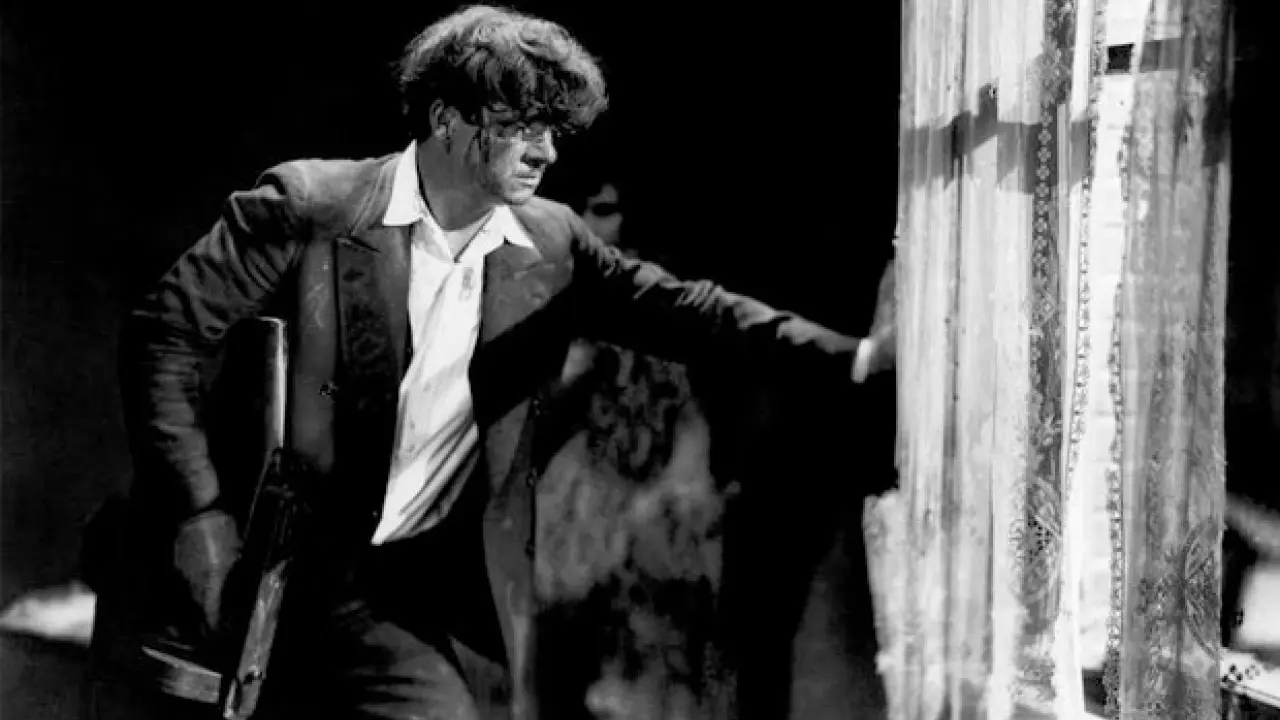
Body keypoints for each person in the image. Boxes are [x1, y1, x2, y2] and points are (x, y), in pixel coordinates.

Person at [113, 5, 896, 719]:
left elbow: (690, 311)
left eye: (554, 130)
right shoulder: (311, 206)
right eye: (523, 125)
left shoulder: (550, 244)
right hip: (238, 569)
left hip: (381, 595)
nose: (546, 151)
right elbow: (163, 337)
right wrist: (197, 516)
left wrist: (857, 358)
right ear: (447, 120)